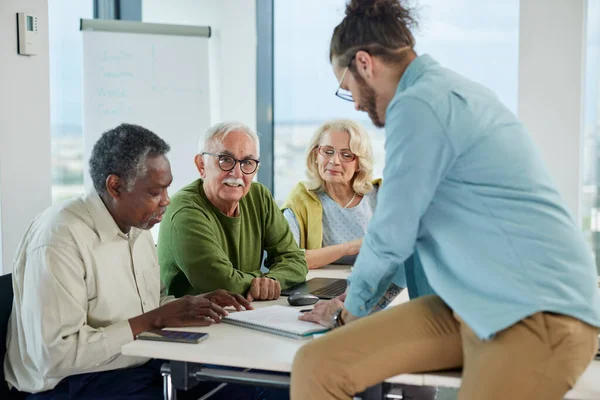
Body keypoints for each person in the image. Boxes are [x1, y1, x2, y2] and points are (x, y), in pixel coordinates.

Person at [291, 1, 600, 400]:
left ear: (364, 63)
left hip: (536, 312)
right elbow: (404, 241)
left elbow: (390, 234)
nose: (355, 103)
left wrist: (350, 309)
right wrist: (352, 306)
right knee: (319, 365)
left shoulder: (421, 103)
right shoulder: (444, 93)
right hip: (472, 305)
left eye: (346, 87)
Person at [3, 123, 269, 400]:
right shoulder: (60, 239)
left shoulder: (137, 226)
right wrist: (154, 319)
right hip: (70, 384)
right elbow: (55, 356)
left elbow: (150, 306)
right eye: (155, 192)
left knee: (249, 387)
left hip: (138, 364)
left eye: (167, 189)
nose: (166, 202)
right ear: (115, 186)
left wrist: (196, 305)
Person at [158, 122, 307, 302]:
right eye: (225, 160)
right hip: (192, 323)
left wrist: (271, 280)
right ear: (201, 165)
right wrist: (261, 281)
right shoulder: (184, 210)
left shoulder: (259, 196)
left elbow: (296, 259)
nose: (237, 173)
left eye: (247, 163)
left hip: (244, 314)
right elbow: (222, 284)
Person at [281, 119, 381, 269]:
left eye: (346, 155)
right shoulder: (300, 199)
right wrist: (349, 248)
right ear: (316, 155)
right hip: (320, 286)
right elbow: (289, 258)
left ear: (359, 163)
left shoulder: (379, 196)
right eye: (328, 152)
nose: (334, 161)